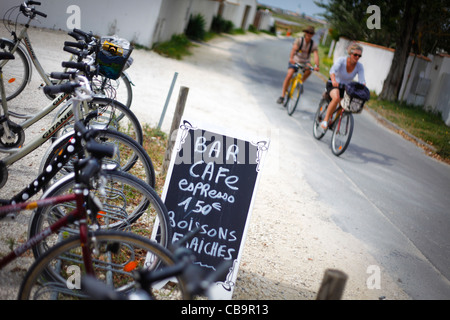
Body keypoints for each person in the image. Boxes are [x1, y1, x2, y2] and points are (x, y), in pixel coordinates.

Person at [320, 43, 366, 129]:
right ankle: (325, 120)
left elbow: (362, 80)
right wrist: (334, 80)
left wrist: (363, 89)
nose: (357, 57)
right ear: (350, 53)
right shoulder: (342, 60)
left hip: (345, 88)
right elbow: (332, 71)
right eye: (355, 55)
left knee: (345, 105)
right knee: (336, 98)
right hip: (334, 84)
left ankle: (335, 123)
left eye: (359, 56)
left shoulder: (359, 66)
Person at [277, 26, 320, 104]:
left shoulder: (313, 44)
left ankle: (300, 83)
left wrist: (317, 66)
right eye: (308, 32)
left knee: (309, 70)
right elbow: (293, 50)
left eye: (311, 33)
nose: (309, 34)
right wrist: (291, 58)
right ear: (305, 33)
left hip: (305, 61)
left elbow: (316, 55)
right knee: (289, 74)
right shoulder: (299, 40)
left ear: (313, 34)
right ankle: (282, 96)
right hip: (295, 60)